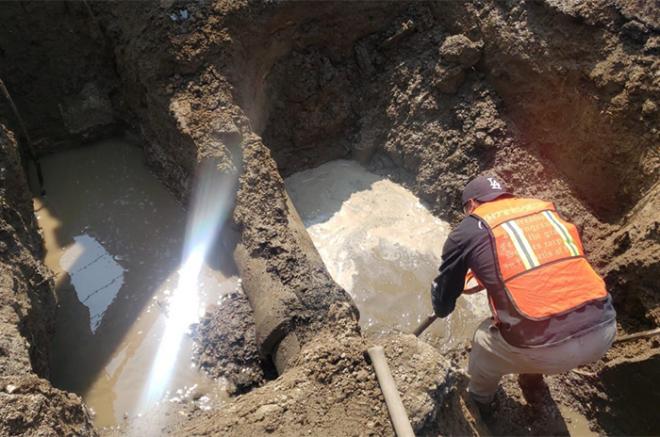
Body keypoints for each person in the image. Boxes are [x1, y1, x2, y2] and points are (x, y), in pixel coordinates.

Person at [431, 175, 616, 413]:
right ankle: (532, 380)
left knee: (483, 339)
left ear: (471, 205)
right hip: (604, 329)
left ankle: (481, 402)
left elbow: (446, 293)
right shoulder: (544, 210)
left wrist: (441, 306)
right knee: (538, 305)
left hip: (548, 349)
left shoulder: (469, 228)